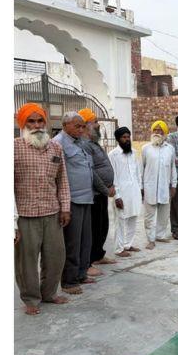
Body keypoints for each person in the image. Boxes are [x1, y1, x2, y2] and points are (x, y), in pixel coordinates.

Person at [14, 103, 70, 315]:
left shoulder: (55, 148)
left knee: (56, 256)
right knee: (26, 261)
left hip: (52, 212)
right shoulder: (14, 147)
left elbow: (62, 180)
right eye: (31, 121)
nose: (37, 125)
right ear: (23, 124)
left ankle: (49, 293)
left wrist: (65, 207)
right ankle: (30, 299)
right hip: (25, 215)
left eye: (40, 121)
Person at [53, 112, 95, 295]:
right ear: (65, 125)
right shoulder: (57, 143)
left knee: (86, 241)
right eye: (77, 126)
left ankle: (81, 274)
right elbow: (56, 174)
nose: (81, 129)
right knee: (72, 242)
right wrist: (63, 204)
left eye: (83, 126)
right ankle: (69, 281)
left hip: (87, 197)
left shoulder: (80, 142)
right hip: (72, 200)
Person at [79, 108, 117, 276]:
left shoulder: (93, 142)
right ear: (86, 125)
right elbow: (91, 172)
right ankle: (88, 262)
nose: (98, 125)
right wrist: (105, 188)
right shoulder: (84, 144)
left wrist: (111, 185)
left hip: (103, 192)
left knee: (103, 226)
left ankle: (98, 255)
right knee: (93, 229)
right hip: (94, 193)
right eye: (94, 122)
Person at [141, 121, 177, 250]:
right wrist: (141, 187)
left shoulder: (170, 149)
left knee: (164, 213)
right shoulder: (146, 148)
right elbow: (141, 168)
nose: (157, 132)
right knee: (149, 215)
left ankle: (160, 235)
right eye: (155, 130)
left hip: (165, 187)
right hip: (149, 186)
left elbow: (173, 168)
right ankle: (150, 239)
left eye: (160, 130)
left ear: (165, 133)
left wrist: (174, 185)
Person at [109, 127, 143, 257]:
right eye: (124, 137)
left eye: (128, 137)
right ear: (118, 139)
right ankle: (119, 249)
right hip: (121, 193)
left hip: (134, 191)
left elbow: (138, 173)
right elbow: (113, 177)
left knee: (133, 217)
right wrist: (117, 196)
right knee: (121, 220)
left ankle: (128, 244)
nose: (127, 139)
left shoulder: (134, 152)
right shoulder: (113, 155)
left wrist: (140, 189)